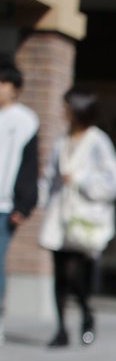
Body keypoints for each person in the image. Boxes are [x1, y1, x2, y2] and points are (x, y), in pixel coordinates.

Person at [39, 87, 116, 347]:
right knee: (59, 275)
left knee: (75, 275)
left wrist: (81, 180)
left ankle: (87, 313)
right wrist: (39, 201)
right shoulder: (61, 141)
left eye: (67, 107)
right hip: (60, 215)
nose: (64, 111)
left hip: (84, 218)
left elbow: (113, 180)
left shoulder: (98, 141)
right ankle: (61, 329)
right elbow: (48, 177)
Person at [0, 57, 39, 343]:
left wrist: (24, 205)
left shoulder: (25, 121)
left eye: (3, 83)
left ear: (15, 88)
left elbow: (29, 166)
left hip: (4, 206)